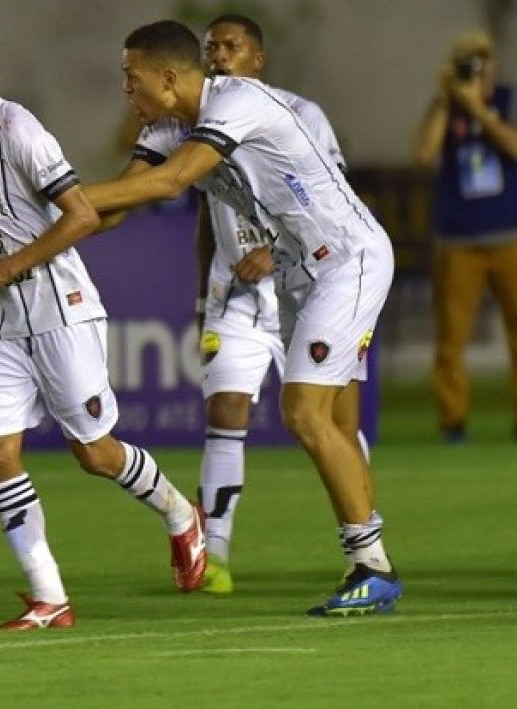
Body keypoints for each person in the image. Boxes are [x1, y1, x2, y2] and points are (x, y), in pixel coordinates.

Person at [85, 21, 401, 616]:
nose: (126, 90)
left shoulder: (237, 100)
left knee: (305, 413)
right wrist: (41, 224)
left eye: (132, 77)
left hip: (348, 259)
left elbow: (174, 180)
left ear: (169, 77)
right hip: (300, 274)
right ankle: (371, 562)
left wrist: (59, 191)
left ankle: (371, 564)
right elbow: (121, 205)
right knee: (325, 419)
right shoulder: (171, 125)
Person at [0, 22, 206, 631]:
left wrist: (2, 269)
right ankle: (50, 596)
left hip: (60, 309)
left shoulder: (18, 129)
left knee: (95, 454)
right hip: (2, 323)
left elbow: (79, 215)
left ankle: (182, 513)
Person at [176, 14, 368, 594]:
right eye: (210, 47)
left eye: (231, 47)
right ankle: (216, 555)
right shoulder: (196, 125)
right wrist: (200, 292)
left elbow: (329, 199)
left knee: (334, 421)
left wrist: (275, 247)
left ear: (257, 60)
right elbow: (208, 218)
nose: (219, 55)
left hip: (312, 287)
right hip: (234, 296)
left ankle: (363, 542)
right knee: (227, 411)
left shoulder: (300, 114)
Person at [413, 30, 517, 443]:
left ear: (493, 65)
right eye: (468, 62)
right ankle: (453, 421)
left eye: (481, 61)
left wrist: (480, 111)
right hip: (458, 241)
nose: (477, 69)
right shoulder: (444, 107)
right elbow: (424, 155)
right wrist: (447, 99)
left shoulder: (509, 100)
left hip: (513, 236)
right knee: (451, 337)